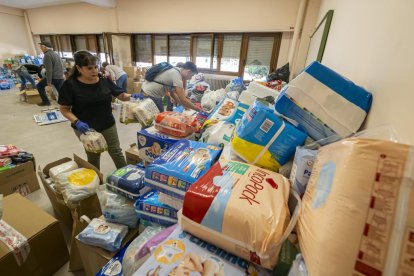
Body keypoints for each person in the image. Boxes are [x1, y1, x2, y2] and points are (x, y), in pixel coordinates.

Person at [59, 51, 134, 170]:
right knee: (93, 155)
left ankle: (125, 177)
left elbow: (121, 95)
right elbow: (64, 109)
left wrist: (135, 96)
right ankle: (96, 182)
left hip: (107, 123)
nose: (94, 71)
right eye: (89, 68)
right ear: (79, 68)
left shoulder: (104, 80)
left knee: (116, 151)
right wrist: (77, 122)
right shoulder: (70, 85)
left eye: (96, 67)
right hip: (85, 127)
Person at [36, 42, 64, 106]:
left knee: (39, 86)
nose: (40, 48)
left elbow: (49, 69)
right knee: (62, 93)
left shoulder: (47, 55)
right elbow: (61, 65)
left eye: (41, 47)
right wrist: (62, 75)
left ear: (45, 47)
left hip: (54, 77)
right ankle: (68, 105)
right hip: (60, 77)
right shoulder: (56, 53)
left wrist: (49, 81)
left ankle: (46, 102)